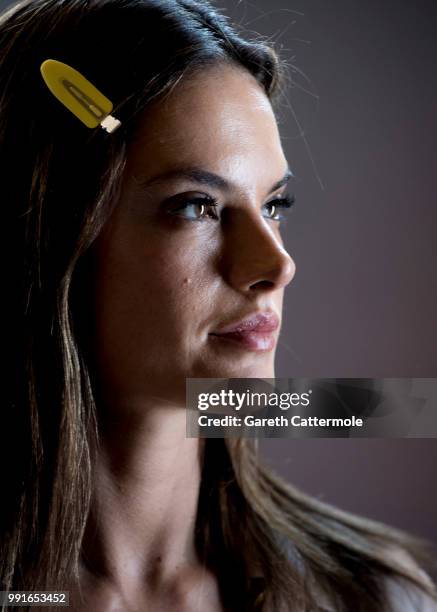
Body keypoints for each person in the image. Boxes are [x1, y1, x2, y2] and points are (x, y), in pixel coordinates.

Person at [1, 0, 436, 610]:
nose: (276, 265)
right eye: (194, 205)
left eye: (273, 206)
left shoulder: (373, 597)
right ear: (46, 237)